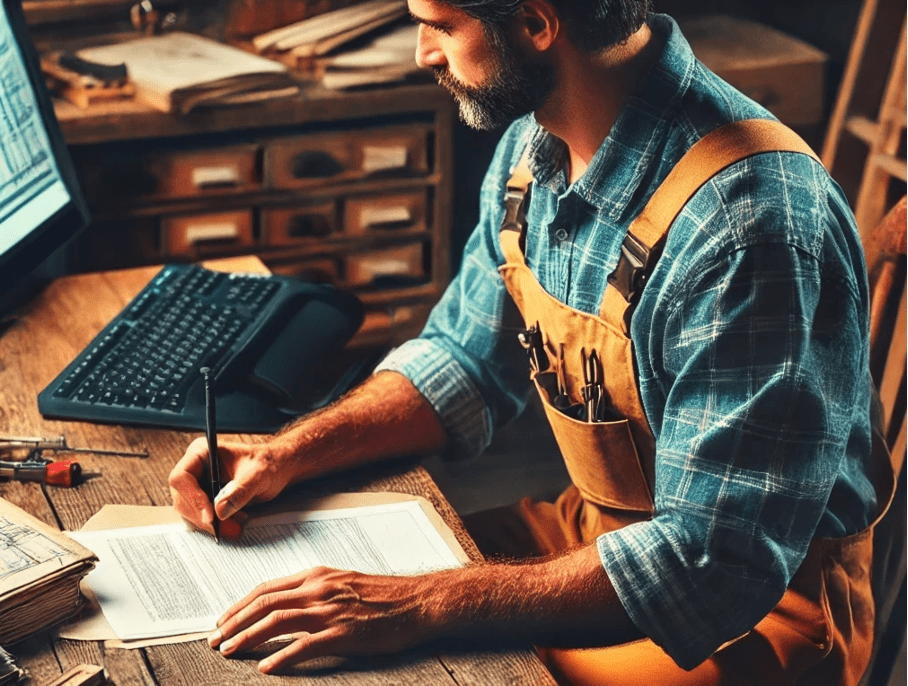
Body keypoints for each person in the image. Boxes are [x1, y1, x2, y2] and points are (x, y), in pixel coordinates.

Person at [168, 1, 893, 684]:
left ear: (537, 22)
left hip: (756, 614)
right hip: (595, 534)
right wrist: (286, 453)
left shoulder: (748, 225)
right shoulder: (533, 145)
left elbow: (712, 562)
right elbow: (460, 361)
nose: (424, 53)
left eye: (441, 27)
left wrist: (419, 605)